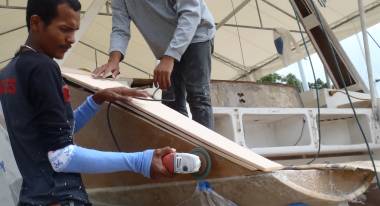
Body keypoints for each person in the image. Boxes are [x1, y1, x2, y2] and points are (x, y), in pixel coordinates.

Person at [0, 0, 174, 205]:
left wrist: (97, 99)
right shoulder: (43, 68)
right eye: (65, 30)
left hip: (35, 197)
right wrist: (139, 162)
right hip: (60, 197)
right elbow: (61, 156)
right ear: (36, 23)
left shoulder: (10, 72)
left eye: (75, 31)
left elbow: (56, 134)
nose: (72, 39)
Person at [93, 0, 216, 129]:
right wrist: (113, 60)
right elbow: (120, 29)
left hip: (196, 34)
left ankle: (205, 149)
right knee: (171, 102)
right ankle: (179, 146)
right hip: (167, 44)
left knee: (198, 97)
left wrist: (169, 57)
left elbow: (190, 14)